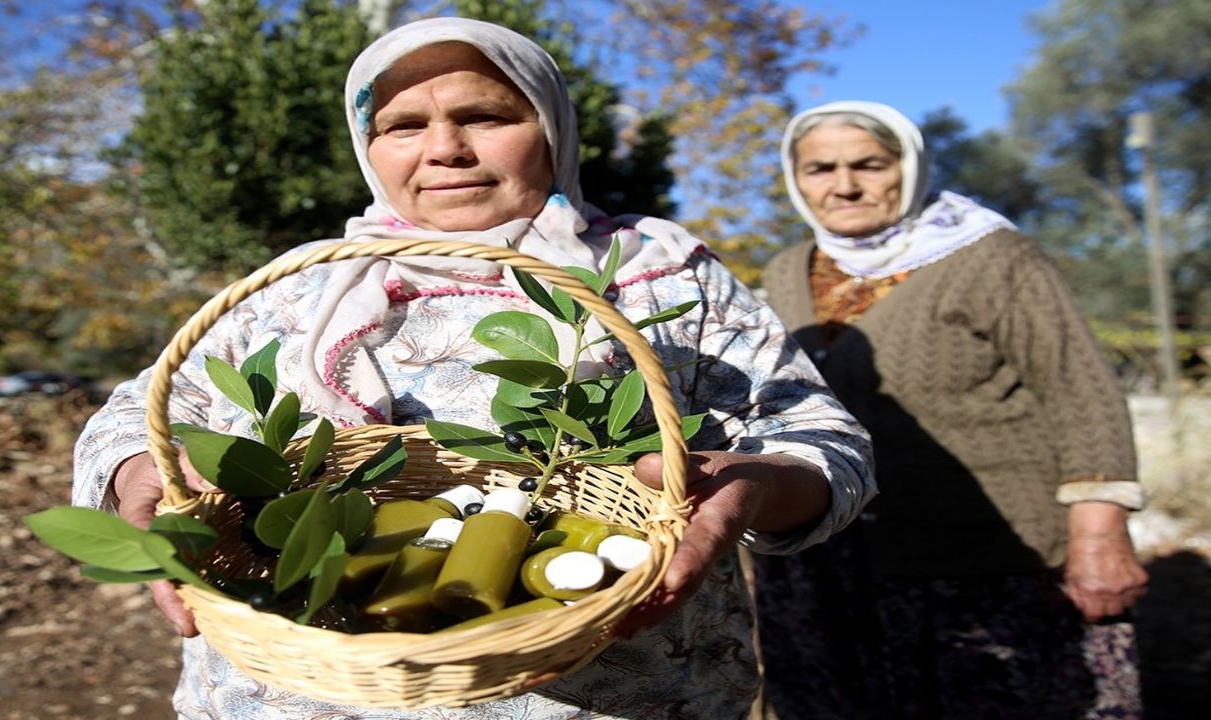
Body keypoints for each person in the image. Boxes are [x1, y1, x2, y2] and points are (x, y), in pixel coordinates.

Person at [72, 19, 875, 719]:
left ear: (552, 128)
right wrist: (139, 471)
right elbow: (137, 414)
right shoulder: (297, 287)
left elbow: (819, 441)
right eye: (403, 126)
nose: (445, 149)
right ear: (367, 146)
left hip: (627, 694)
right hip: (299, 697)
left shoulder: (662, 276)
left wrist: (755, 484)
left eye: (486, 116)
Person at [753, 100, 1149, 720]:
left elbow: (1080, 389)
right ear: (795, 179)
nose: (845, 185)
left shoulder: (991, 257)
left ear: (907, 167)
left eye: (869, 164)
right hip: (826, 557)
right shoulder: (785, 272)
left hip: (982, 552)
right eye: (820, 169)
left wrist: (1099, 532)